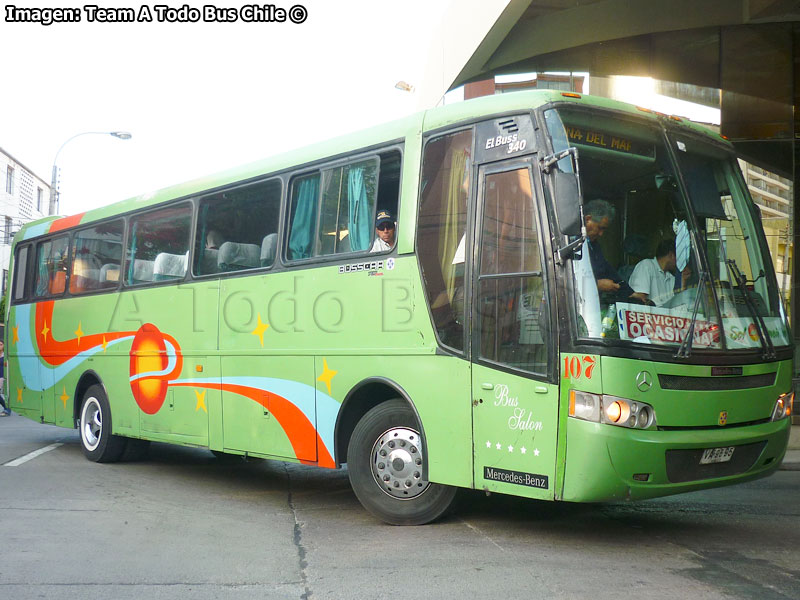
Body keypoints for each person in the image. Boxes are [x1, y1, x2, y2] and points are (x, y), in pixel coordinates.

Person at [583, 199, 636, 300]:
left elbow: (607, 270)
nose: (601, 234)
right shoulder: (569, 243)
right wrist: (597, 285)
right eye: (600, 228)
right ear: (588, 219)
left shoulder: (594, 245)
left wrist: (630, 293)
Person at [629, 238, 690, 306]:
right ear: (671, 255)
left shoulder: (671, 278)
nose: (680, 262)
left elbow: (680, 305)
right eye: (679, 258)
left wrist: (683, 280)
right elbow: (639, 299)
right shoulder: (646, 266)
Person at [0, 341, 9, 416]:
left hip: (2, 376)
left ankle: (7, 409)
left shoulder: (5, 355)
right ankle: (6, 408)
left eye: (1, 344)